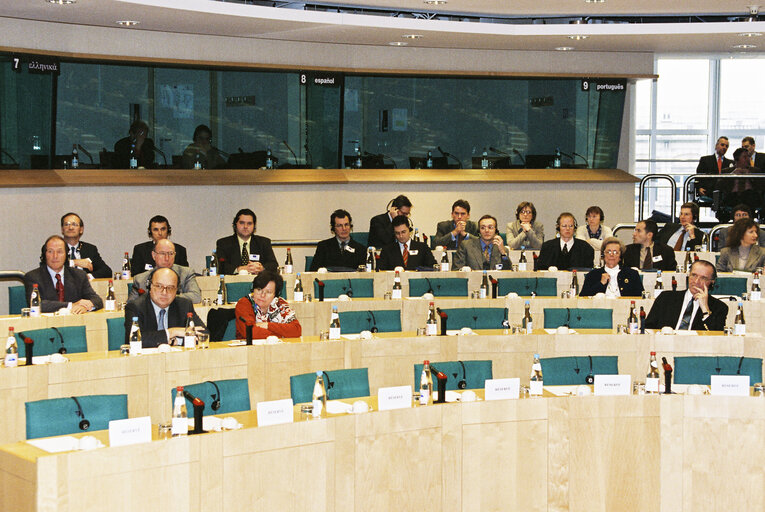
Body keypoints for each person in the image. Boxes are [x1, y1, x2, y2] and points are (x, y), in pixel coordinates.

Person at [123, 267, 206, 348]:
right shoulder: (135, 307)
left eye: (170, 288)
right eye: (159, 286)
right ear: (150, 286)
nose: (164, 292)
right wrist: (172, 332)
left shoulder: (184, 305)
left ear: (177, 290)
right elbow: (134, 340)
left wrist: (176, 341)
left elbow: (203, 333)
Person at [24, 235, 103, 314]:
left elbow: (97, 300)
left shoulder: (79, 275)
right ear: (45, 254)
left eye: (59, 252)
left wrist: (85, 306)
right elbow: (37, 304)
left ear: (66, 255)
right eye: (50, 251)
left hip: (74, 323)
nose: (55, 256)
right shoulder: (32, 277)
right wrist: (70, 305)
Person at [645, 260, 728, 331]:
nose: (696, 281)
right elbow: (648, 328)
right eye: (694, 275)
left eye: (703, 278)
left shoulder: (719, 307)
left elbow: (717, 336)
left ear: (712, 281)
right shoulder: (666, 298)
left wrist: (705, 309)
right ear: (688, 275)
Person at [128, 239, 201, 303]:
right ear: (153, 255)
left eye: (170, 253)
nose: (167, 258)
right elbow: (131, 305)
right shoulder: (140, 279)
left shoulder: (186, 273)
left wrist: (166, 297)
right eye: (162, 253)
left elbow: (196, 297)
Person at [234, 270, 301, 340]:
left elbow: (296, 330)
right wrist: (280, 335)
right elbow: (250, 332)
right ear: (253, 289)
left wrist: (267, 325)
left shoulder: (280, 303)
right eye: (259, 289)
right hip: (249, 349)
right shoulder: (244, 303)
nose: (262, 295)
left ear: (275, 294)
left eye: (268, 292)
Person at [215, 208, 277, 275]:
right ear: (235, 225)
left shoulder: (263, 242)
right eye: (242, 223)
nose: (245, 226)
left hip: (258, 283)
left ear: (254, 226)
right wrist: (240, 269)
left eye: (249, 223)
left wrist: (261, 268)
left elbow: (273, 264)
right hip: (233, 283)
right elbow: (221, 266)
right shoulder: (223, 243)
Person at [579, 237, 643, 297]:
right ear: (603, 255)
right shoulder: (592, 275)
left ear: (620, 256)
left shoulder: (632, 274)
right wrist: (601, 284)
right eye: (608, 252)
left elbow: (641, 297)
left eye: (615, 252)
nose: (611, 255)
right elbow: (583, 298)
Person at [60, 212, 112, 279]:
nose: (70, 227)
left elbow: (107, 271)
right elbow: (47, 268)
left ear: (81, 230)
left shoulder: (89, 249)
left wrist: (87, 277)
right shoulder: (53, 247)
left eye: (74, 224)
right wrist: (73, 262)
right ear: (62, 230)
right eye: (67, 224)